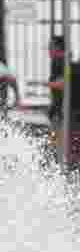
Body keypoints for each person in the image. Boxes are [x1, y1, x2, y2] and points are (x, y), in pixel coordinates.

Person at [45, 34, 80, 164]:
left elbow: (63, 83)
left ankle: (60, 166)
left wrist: (49, 84)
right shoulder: (66, 62)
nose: (48, 50)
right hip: (67, 111)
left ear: (58, 48)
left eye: (51, 47)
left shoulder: (59, 61)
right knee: (66, 143)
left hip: (62, 113)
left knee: (57, 143)